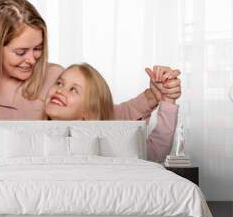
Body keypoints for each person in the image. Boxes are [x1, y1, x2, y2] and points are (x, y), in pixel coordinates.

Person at [0, 0, 181, 196]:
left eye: (38, 48)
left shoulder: (56, 80)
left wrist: (156, 96)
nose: (32, 59)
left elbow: (104, 118)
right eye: (20, 51)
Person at [44, 63, 181, 162]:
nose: (60, 90)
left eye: (74, 89)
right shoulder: (34, 132)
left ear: (90, 113)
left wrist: (166, 100)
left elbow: (154, 153)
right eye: (59, 83)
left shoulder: (105, 145)